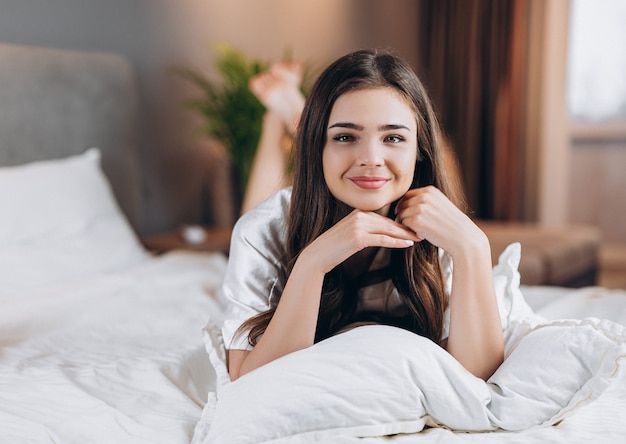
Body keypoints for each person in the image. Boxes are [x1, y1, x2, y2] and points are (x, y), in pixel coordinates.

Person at [221, 48, 504, 383]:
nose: (371, 157)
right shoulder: (262, 230)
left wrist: (473, 247)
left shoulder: (438, 231)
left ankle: (294, 110)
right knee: (261, 214)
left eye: (394, 137)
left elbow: (479, 377)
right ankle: (280, 115)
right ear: (316, 145)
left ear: (420, 151)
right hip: (290, 215)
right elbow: (247, 381)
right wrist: (313, 264)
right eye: (344, 136)